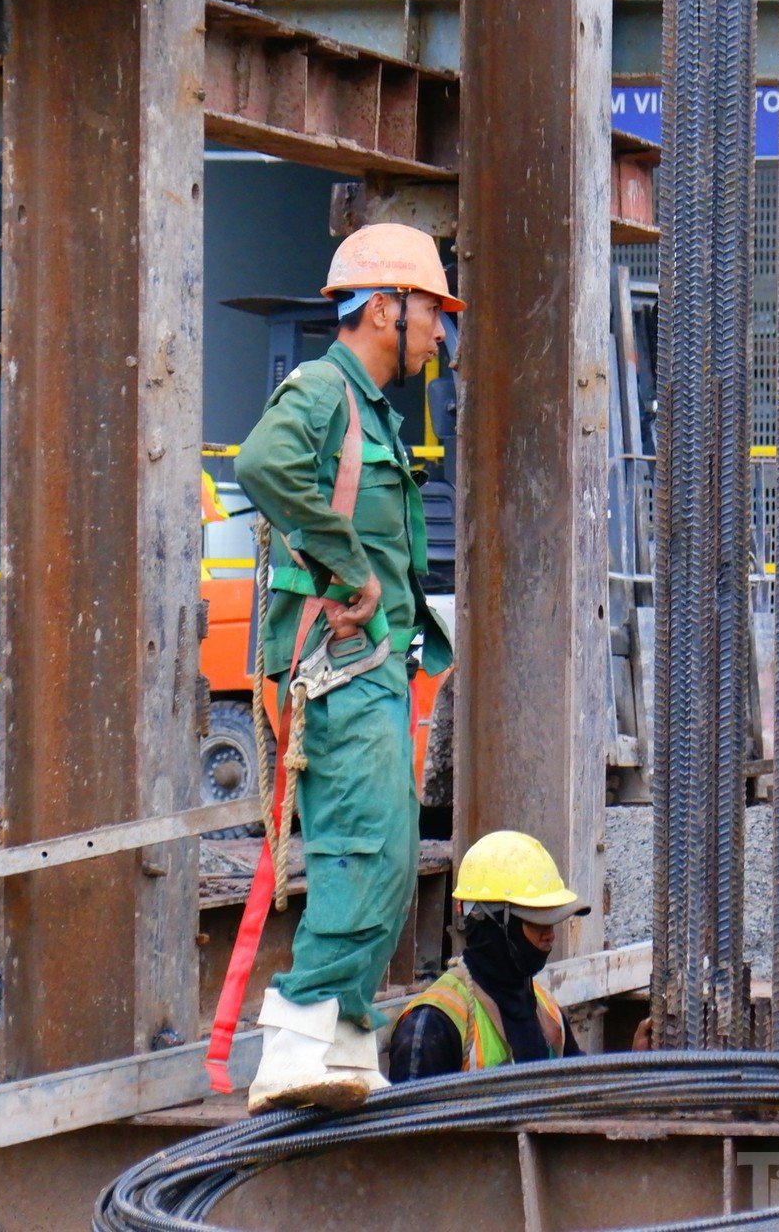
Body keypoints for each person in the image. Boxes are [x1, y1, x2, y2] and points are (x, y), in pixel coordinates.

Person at [236, 223, 463, 1113]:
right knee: (363, 849)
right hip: (337, 672)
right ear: (383, 309)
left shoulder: (370, 410)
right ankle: (296, 1040)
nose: (439, 336)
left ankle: (345, 1043)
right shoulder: (326, 391)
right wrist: (350, 564)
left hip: (373, 672)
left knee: (392, 857)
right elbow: (264, 463)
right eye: (431, 315)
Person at [390, 831, 592, 1078]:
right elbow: (412, 1115)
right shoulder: (433, 1025)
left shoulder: (545, 1008)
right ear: (491, 922)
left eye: (552, 922)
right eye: (537, 922)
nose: (549, 936)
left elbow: (581, 1089)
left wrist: (636, 1059)